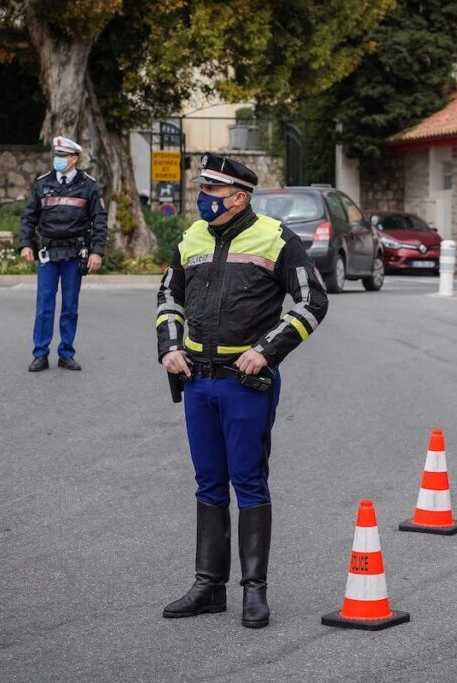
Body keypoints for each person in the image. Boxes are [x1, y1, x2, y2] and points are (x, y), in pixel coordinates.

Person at [157, 153, 328, 629]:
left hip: (244, 382)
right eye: (203, 190)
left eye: (212, 191)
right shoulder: (191, 237)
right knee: (208, 482)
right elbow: (169, 295)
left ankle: (255, 591)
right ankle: (209, 586)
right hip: (196, 380)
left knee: (248, 482)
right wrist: (170, 346)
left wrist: (268, 350)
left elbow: (314, 300)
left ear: (239, 196)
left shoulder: (275, 238)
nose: (203, 199)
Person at [18, 136, 108, 372]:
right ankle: (40, 354)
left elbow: (99, 220)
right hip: (48, 253)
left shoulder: (88, 186)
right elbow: (29, 218)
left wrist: (97, 252)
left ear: (75, 159)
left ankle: (66, 353)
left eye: (63, 156)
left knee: (70, 306)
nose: (58, 160)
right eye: (56, 156)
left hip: (74, 254)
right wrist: (25, 244)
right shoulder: (42, 184)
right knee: (44, 306)